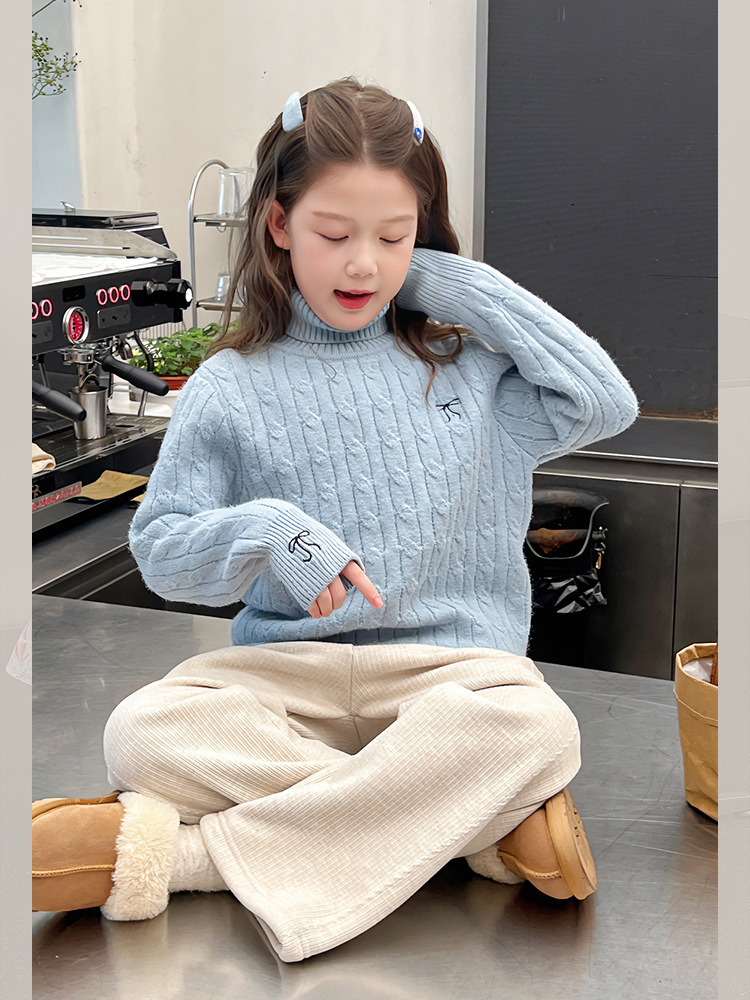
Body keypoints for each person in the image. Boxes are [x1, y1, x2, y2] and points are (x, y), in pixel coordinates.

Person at [32, 79, 638, 963]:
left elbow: (605, 401)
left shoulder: (470, 371)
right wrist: (270, 532)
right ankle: (470, 826)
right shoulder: (231, 386)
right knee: (141, 733)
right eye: (334, 234)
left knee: (540, 728)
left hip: (452, 682)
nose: (363, 266)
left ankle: (191, 860)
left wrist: (444, 278)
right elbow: (161, 552)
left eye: (393, 237)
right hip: (289, 683)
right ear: (279, 224)